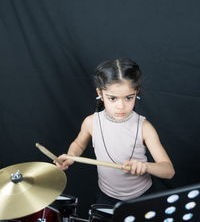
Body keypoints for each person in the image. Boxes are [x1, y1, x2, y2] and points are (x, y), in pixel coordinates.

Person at [56, 58, 175, 205]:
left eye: (128, 98)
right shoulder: (91, 122)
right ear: (100, 93)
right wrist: (72, 155)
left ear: (136, 92)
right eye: (112, 98)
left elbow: (169, 171)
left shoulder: (144, 127)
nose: (121, 106)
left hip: (142, 196)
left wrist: (146, 166)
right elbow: (79, 144)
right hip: (106, 196)